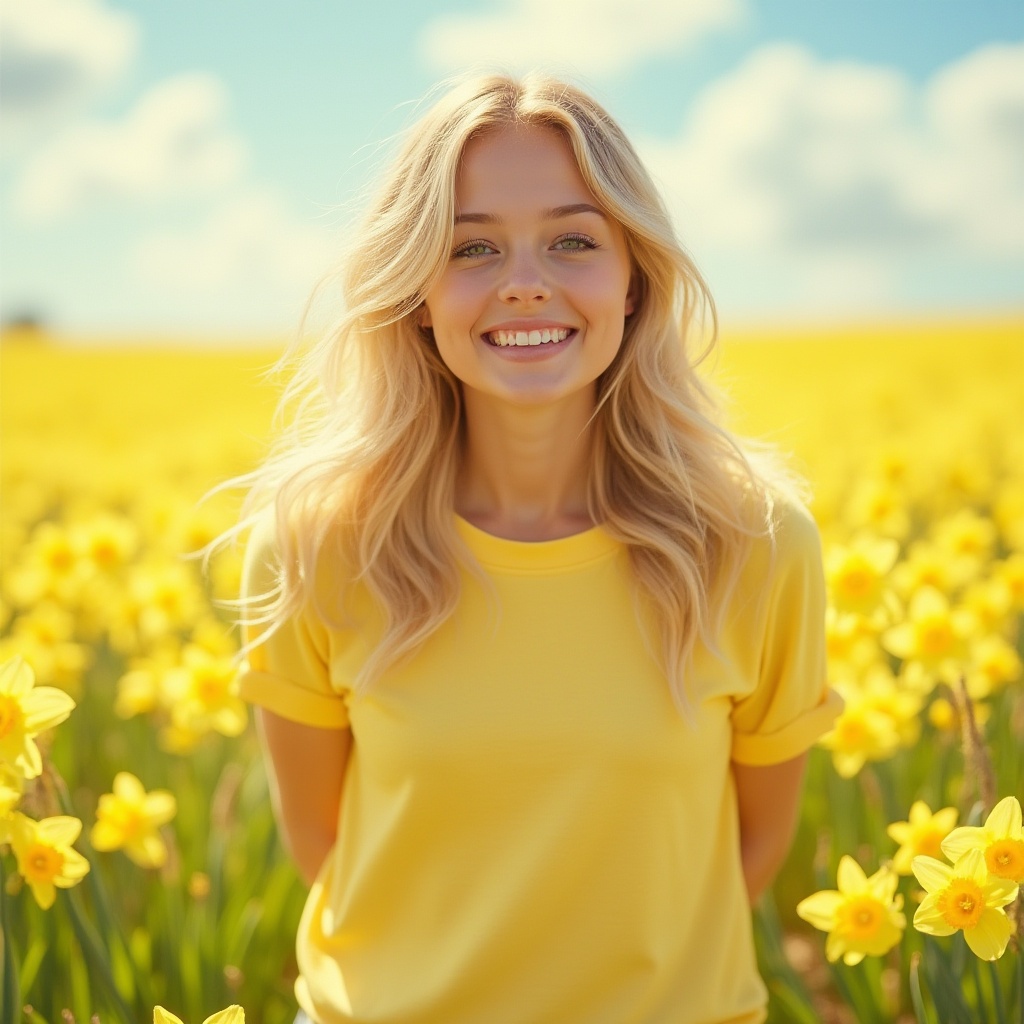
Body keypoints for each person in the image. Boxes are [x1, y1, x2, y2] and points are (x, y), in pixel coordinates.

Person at [232, 73, 843, 1024]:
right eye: (471, 246)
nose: (525, 280)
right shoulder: (316, 543)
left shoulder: (757, 546)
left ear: (634, 279)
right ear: (417, 295)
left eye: (572, 240)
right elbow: (322, 839)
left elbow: (753, 847)